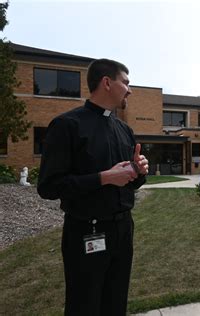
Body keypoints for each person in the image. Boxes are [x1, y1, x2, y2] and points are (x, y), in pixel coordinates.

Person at [37, 58, 149, 316]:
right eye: (126, 83)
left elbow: (133, 182)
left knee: (116, 301)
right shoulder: (67, 125)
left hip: (123, 229)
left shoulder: (125, 129)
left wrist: (139, 170)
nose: (130, 90)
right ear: (107, 83)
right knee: (84, 304)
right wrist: (104, 177)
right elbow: (49, 187)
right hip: (86, 230)